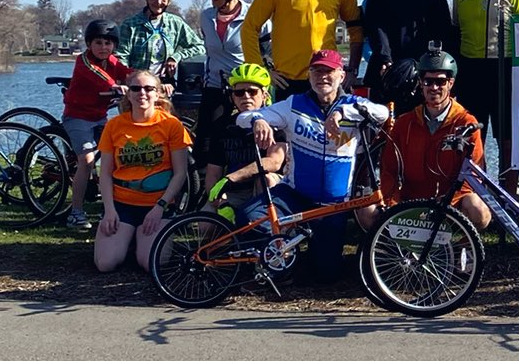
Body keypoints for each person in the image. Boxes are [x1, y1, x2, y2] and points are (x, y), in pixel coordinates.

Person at [237, 49, 391, 282]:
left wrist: (341, 111)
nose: (323, 77)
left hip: (334, 205)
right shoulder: (293, 104)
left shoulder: (354, 104)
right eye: (317, 71)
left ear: (341, 75)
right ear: (309, 75)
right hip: (295, 195)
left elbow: (382, 113)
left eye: (329, 71)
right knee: (249, 217)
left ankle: (301, 255)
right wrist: (258, 120)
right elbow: (242, 118)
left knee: (325, 274)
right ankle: (283, 256)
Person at [451, 0, 519, 189]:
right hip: (471, 70)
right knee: (473, 135)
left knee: (507, 138)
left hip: (504, 68)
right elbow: (454, 30)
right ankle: (477, 195)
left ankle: (508, 196)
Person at [380, 49, 492, 230]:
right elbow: (388, 170)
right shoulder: (404, 123)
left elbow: (474, 175)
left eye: (440, 82)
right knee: (367, 212)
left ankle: (464, 249)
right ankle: (391, 244)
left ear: (451, 83)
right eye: (428, 81)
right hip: (411, 202)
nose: (434, 87)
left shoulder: (466, 123)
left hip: (450, 204)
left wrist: (447, 204)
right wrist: (393, 205)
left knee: (479, 211)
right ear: (420, 84)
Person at [94, 68, 192, 273]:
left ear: (157, 93)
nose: (142, 93)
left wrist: (160, 207)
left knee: (151, 264)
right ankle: (127, 238)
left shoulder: (172, 125)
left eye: (148, 88)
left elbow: (180, 173)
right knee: (105, 264)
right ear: (128, 94)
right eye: (136, 88)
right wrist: (109, 210)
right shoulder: (114, 125)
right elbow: (104, 173)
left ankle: (140, 239)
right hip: (122, 204)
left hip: (158, 203)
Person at [59, 18, 127, 228]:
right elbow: (100, 77)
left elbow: (129, 72)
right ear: (89, 44)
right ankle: (76, 213)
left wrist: (150, 82)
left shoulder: (113, 61)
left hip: (99, 117)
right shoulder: (84, 60)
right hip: (78, 117)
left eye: (108, 43)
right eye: (98, 43)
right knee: (87, 161)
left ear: (114, 45)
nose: (103, 47)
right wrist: (116, 86)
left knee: (119, 155)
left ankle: (113, 208)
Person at [195, 0, 253, 194]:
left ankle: (244, 188)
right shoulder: (206, 16)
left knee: (244, 140)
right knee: (206, 142)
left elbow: (267, 52)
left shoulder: (253, 15)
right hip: (215, 87)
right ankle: (205, 192)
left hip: (244, 88)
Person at [206, 62, 288, 216]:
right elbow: (213, 174)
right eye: (239, 93)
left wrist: (232, 177)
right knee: (205, 227)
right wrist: (220, 202)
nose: (246, 97)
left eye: (252, 91)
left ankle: (266, 230)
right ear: (232, 97)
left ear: (264, 95)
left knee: (266, 179)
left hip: (268, 187)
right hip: (235, 191)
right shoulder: (222, 126)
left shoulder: (277, 123)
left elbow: (274, 162)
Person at [116, 0, 205, 79]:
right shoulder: (130, 24)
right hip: (138, 83)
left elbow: (199, 47)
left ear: (169, 1)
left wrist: (176, 57)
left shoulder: (175, 23)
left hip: (164, 83)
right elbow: (121, 56)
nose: (158, 2)